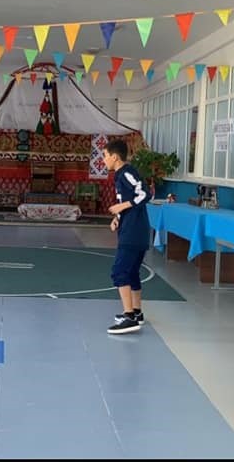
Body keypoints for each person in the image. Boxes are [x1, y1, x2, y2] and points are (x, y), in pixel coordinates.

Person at [103, 139, 150, 335]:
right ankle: (137, 312)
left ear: (115, 157)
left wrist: (121, 207)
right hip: (134, 229)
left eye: (105, 156)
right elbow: (129, 200)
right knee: (132, 272)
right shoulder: (120, 176)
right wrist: (117, 218)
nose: (104, 160)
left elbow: (145, 193)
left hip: (133, 232)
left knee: (119, 271)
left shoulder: (126, 173)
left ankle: (129, 317)